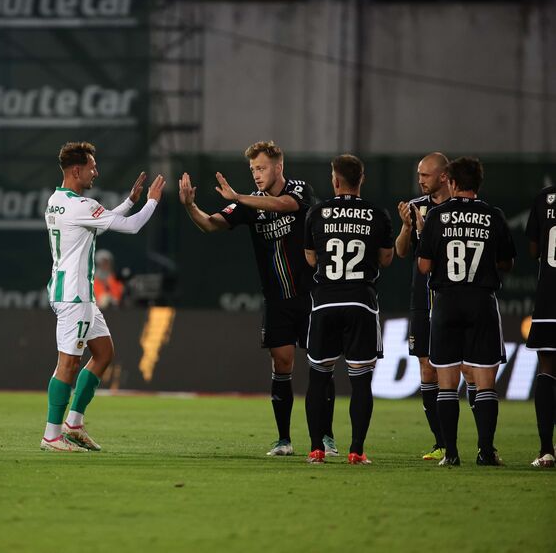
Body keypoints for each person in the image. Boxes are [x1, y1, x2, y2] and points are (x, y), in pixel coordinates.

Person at [179, 141, 338, 457]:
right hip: (277, 300)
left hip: (310, 295)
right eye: (253, 169)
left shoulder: (299, 188)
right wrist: (189, 207)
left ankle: (327, 437)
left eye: (261, 167)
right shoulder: (248, 204)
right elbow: (211, 224)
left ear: (278, 167)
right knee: (282, 364)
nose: (256, 174)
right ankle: (284, 440)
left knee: (320, 366)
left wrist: (239, 197)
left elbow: (286, 205)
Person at [41, 142, 165, 452]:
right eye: (92, 166)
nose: (96, 171)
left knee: (104, 353)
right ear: (76, 170)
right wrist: (150, 203)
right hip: (75, 296)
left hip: (69, 291)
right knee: (68, 364)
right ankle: (51, 435)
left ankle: (74, 424)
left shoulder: (57, 201)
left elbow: (100, 222)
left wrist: (129, 200)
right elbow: (132, 227)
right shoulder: (80, 205)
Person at [416, 157, 516, 467]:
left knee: (447, 383)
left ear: (452, 182)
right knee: (485, 382)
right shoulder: (493, 216)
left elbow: (424, 266)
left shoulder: (437, 215)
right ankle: (486, 452)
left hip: (446, 302)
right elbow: (507, 263)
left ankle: (451, 453)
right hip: (481, 301)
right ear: (478, 184)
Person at [303, 154, 394, 464]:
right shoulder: (377, 215)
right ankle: (356, 450)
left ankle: (316, 448)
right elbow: (385, 259)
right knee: (360, 381)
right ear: (361, 180)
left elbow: (311, 259)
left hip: (325, 301)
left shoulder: (316, 213)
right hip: (361, 303)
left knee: (318, 377)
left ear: (335, 180)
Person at [395, 153, 451, 461]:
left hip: (454, 299)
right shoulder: (416, 207)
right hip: (422, 302)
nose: (421, 180)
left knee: (469, 371)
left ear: (444, 176)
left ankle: (484, 444)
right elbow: (401, 252)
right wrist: (407, 227)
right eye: (419, 175)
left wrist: (426, 229)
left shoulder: (458, 210)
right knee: (427, 369)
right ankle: (441, 443)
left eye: (426, 175)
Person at [525, 184, 556, 468]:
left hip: (549, 299)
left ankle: (546, 450)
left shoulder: (543, 198)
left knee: (547, 369)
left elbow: (534, 249)